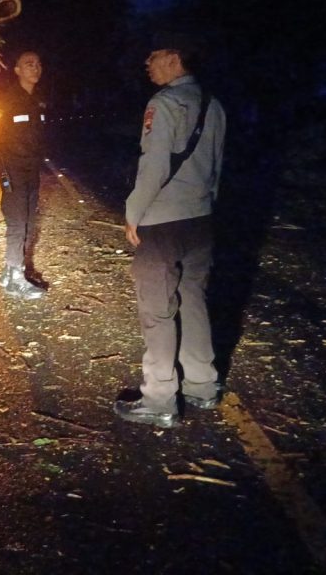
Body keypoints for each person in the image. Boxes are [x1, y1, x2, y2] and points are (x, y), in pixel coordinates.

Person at [114, 37, 226, 428]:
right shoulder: (214, 105)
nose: (147, 62)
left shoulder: (161, 105)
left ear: (175, 59)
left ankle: (159, 398)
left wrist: (133, 213)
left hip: (162, 222)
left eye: (154, 55)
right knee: (194, 300)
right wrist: (205, 205)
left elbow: (155, 165)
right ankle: (202, 385)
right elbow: (216, 166)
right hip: (201, 218)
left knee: (157, 310)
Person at [0, 51, 48, 300]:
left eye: (38, 63)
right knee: (17, 222)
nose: (36, 68)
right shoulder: (8, 99)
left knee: (30, 223)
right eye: (29, 64)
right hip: (12, 167)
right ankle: (14, 278)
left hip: (32, 168)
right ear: (17, 70)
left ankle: (10, 272)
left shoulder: (38, 100)